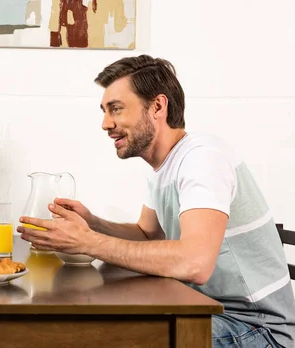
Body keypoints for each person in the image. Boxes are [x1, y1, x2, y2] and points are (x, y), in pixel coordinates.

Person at [18, 55, 295, 348]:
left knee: (114, 337)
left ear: (158, 107)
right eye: (104, 111)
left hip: (258, 328)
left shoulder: (203, 159)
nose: (105, 123)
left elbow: (194, 263)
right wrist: (94, 224)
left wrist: (88, 242)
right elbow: (148, 234)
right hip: (206, 310)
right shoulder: (164, 166)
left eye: (116, 109)